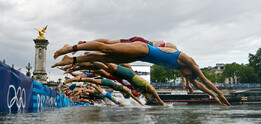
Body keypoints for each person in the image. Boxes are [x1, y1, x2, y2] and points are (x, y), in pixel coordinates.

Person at [52, 38, 231, 106]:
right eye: (190, 78)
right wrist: (219, 94)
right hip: (145, 49)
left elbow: (198, 85)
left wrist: (213, 97)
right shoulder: (188, 62)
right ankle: (71, 48)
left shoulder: (183, 70)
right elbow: (205, 81)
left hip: (143, 56)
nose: (191, 80)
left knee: (107, 59)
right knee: (108, 49)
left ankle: (73, 60)